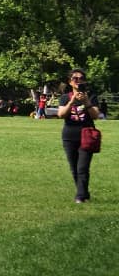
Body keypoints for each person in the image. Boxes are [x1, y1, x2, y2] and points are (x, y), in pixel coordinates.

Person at [58, 69, 102, 203]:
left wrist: (87, 102)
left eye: (81, 78)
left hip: (87, 136)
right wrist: (71, 102)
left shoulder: (91, 96)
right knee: (74, 168)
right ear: (70, 81)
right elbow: (61, 115)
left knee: (82, 167)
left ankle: (80, 196)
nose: (78, 80)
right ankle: (84, 193)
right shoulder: (65, 97)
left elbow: (96, 116)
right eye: (75, 78)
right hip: (69, 136)